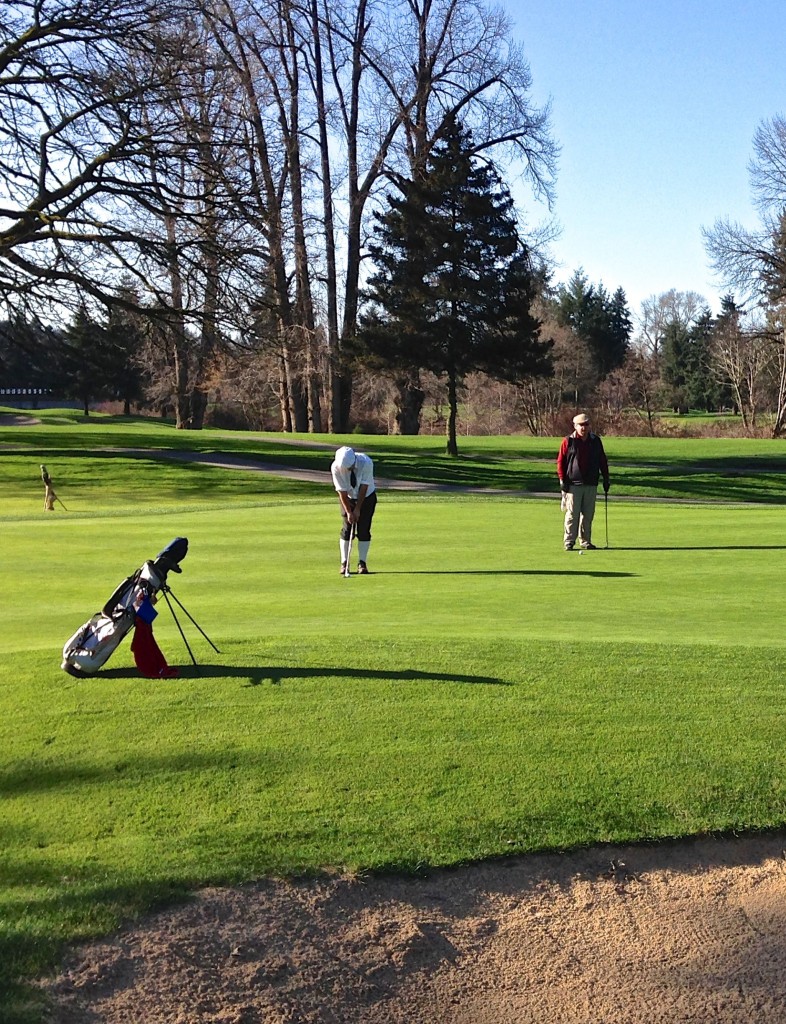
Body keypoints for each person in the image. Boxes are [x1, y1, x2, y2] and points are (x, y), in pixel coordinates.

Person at [556, 413, 610, 551]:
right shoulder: (569, 441)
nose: (584, 427)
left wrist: (606, 478)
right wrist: (562, 479)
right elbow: (561, 462)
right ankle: (569, 541)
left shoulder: (595, 441)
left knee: (588, 515)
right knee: (572, 515)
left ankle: (585, 541)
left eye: (586, 424)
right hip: (573, 484)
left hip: (591, 483)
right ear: (575, 426)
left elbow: (602, 461)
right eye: (581, 425)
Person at [331, 445, 377, 574]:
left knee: (364, 529)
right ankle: (344, 563)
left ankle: (362, 563)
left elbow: (364, 487)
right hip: (348, 498)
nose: (346, 469)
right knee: (347, 529)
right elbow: (341, 492)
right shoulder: (335, 467)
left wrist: (358, 509)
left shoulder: (366, 462)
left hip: (367, 497)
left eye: (349, 467)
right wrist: (349, 512)